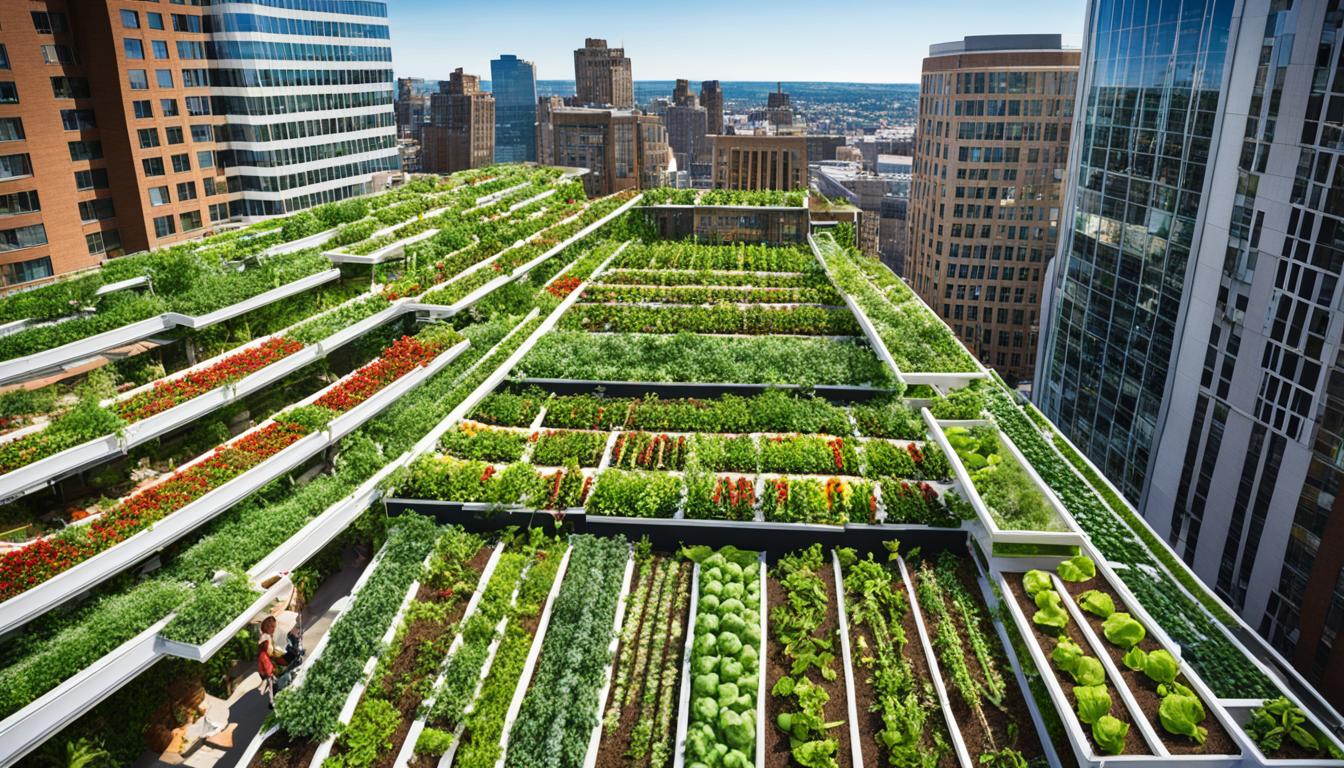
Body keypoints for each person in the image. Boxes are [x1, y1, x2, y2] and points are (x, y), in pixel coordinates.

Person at [257, 616, 288, 708]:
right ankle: (272, 701)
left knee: (272, 679)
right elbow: (270, 651)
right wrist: (277, 652)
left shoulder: (266, 636)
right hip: (266, 661)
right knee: (271, 680)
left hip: (265, 660)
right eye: (272, 627)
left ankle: (274, 699)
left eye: (274, 626)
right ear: (267, 626)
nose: (274, 629)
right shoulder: (266, 636)